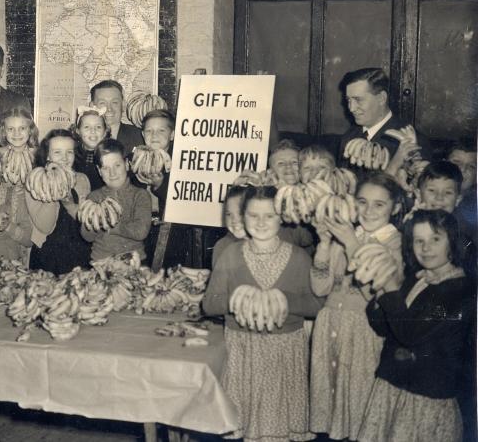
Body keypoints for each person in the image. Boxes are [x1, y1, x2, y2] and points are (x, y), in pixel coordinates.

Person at [202, 185, 322, 442]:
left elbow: (316, 305)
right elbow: (209, 304)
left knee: (277, 429)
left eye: (269, 215)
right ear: (243, 217)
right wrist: (237, 299)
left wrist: (283, 300)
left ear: (281, 217)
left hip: (284, 354)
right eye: (253, 215)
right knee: (242, 427)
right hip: (242, 353)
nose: (261, 222)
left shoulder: (299, 258)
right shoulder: (230, 255)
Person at [359, 210, 474, 442]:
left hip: (426, 396)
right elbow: (384, 327)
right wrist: (380, 294)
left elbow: (411, 333)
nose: (425, 247)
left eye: (435, 239)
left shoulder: (459, 291)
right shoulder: (416, 278)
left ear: (452, 240)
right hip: (393, 385)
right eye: (418, 241)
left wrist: (391, 290)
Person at [309, 172, 405, 440]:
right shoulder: (347, 234)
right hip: (330, 327)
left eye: (379, 204)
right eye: (362, 202)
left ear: (395, 208)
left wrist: (352, 243)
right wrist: (326, 244)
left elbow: (373, 293)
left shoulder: (394, 244)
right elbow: (320, 288)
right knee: (329, 415)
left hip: (363, 334)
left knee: (358, 412)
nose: (368, 211)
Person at [27, 130, 91, 274]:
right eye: (57, 152)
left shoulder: (82, 180)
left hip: (79, 255)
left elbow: (84, 221)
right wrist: (53, 186)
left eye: (69, 152)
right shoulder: (35, 180)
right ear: (47, 155)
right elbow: (45, 226)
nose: (65, 158)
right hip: (47, 255)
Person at [337, 68, 431, 164]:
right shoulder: (349, 136)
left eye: (358, 100)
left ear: (382, 98)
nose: (351, 108)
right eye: (349, 100)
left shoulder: (411, 141)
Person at [80, 139, 151, 261]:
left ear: (127, 164)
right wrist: (94, 221)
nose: (112, 173)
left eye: (117, 165)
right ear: (99, 171)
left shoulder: (140, 195)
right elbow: (87, 236)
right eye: (106, 168)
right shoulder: (93, 197)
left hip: (133, 262)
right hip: (101, 261)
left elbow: (141, 231)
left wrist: (109, 225)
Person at [89, 80, 144, 153]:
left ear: (123, 105)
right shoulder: (84, 137)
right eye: (102, 103)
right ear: (92, 106)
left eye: (115, 102)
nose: (109, 109)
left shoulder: (139, 137)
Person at [73, 107, 109, 191]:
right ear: (78, 131)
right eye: (86, 127)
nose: (93, 131)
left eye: (98, 127)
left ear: (105, 132)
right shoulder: (72, 155)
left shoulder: (110, 156)